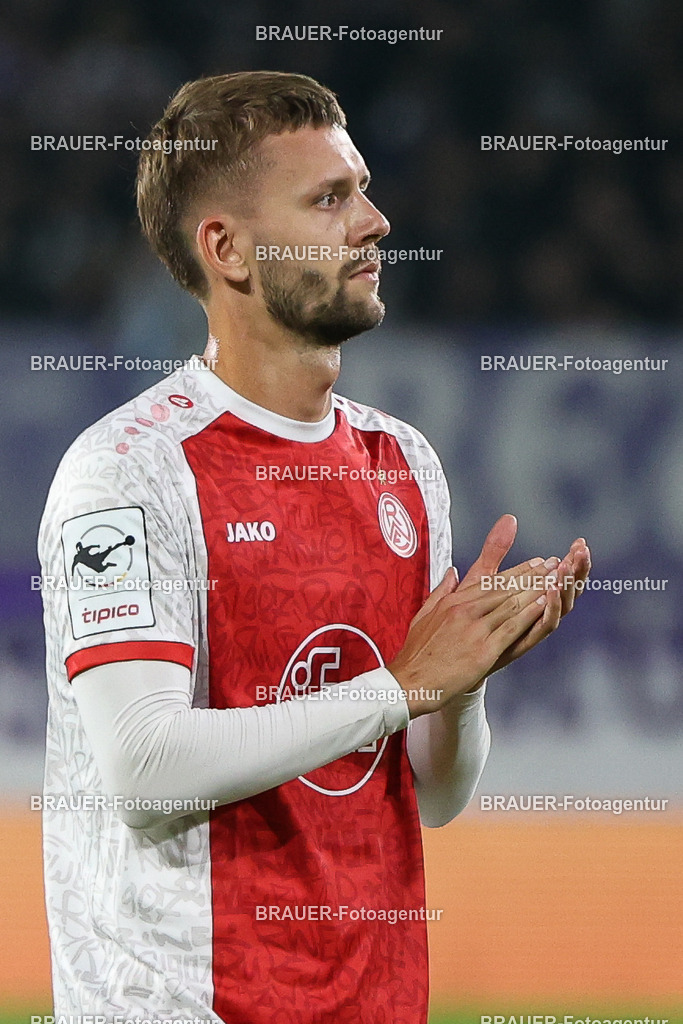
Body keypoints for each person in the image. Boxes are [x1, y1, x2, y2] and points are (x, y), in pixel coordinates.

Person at [38, 71, 591, 1023]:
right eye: (329, 199)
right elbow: (142, 768)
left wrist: (461, 682)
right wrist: (402, 686)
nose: (375, 222)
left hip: (374, 1001)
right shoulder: (127, 473)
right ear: (230, 249)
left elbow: (430, 799)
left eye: (364, 189)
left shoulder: (403, 465)